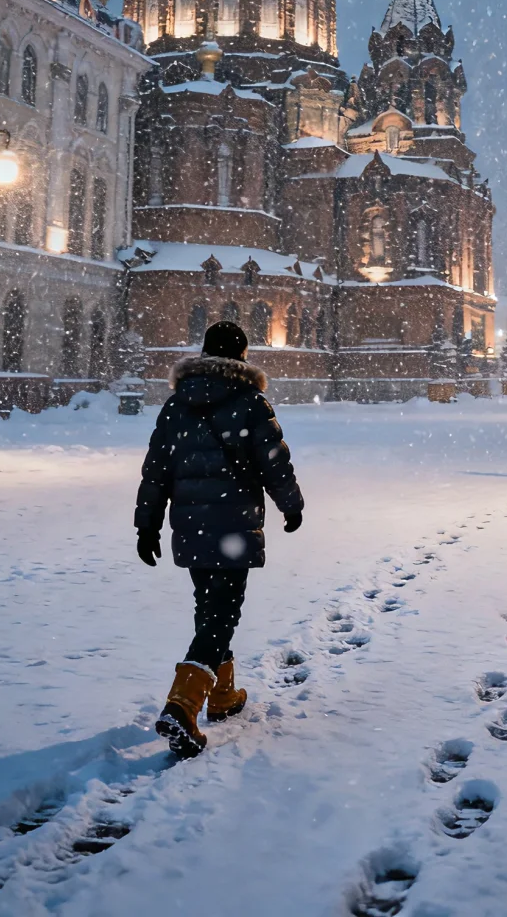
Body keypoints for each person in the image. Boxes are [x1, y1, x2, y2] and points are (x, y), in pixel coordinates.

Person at [134, 321, 305, 759]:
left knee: (210, 607)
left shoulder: (177, 404)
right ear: (242, 355)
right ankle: (183, 705)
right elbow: (274, 460)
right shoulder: (250, 401)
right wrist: (291, 504)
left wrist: (147, 525)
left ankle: (223, 696)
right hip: (233, 523)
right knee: (221, 615)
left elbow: (156, 470)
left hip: (190, 524)